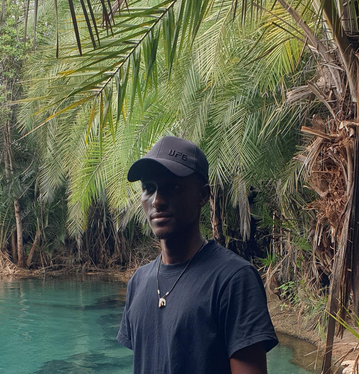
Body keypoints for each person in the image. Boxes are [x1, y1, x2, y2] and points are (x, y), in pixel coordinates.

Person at [118, 136, 278, 374]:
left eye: (173, 187)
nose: (158, 201)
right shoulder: (138, 282)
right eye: (148, 189)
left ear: (203, 195)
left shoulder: (233, 280)